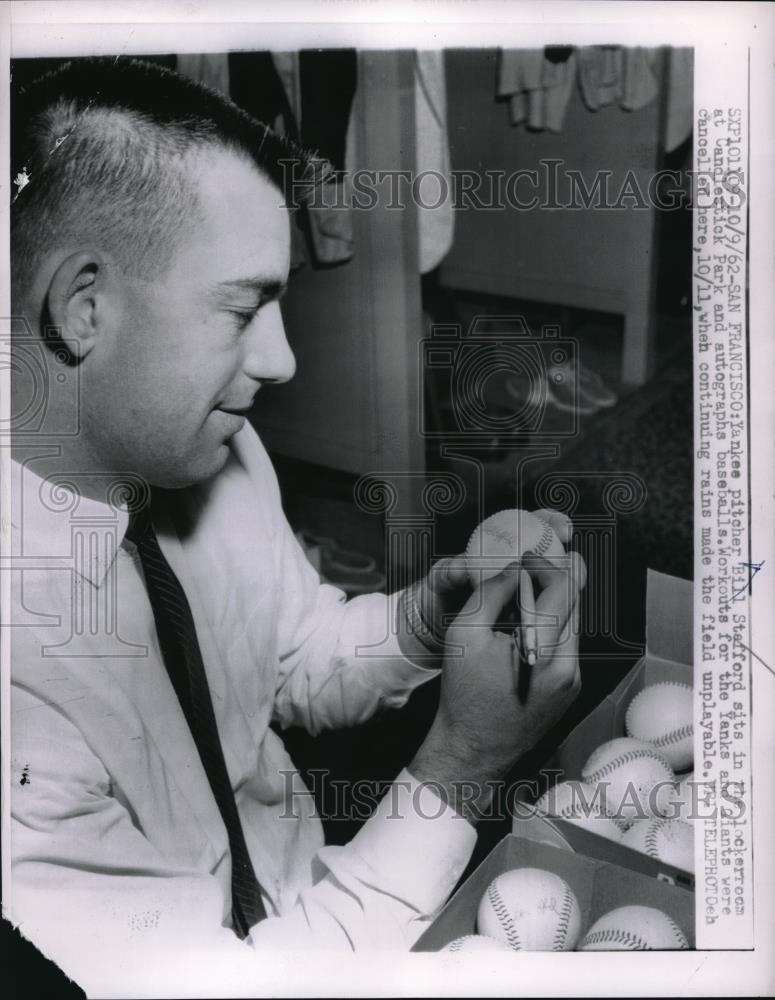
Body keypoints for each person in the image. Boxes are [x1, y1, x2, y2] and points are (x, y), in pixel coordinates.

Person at [7, 57, 585, 990]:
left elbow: (294, 660)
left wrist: (429, 617)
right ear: (84, 308)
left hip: (329, 894)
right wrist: (463, 767)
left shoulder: (211, 447)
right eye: (243, 309)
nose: (279, 361)